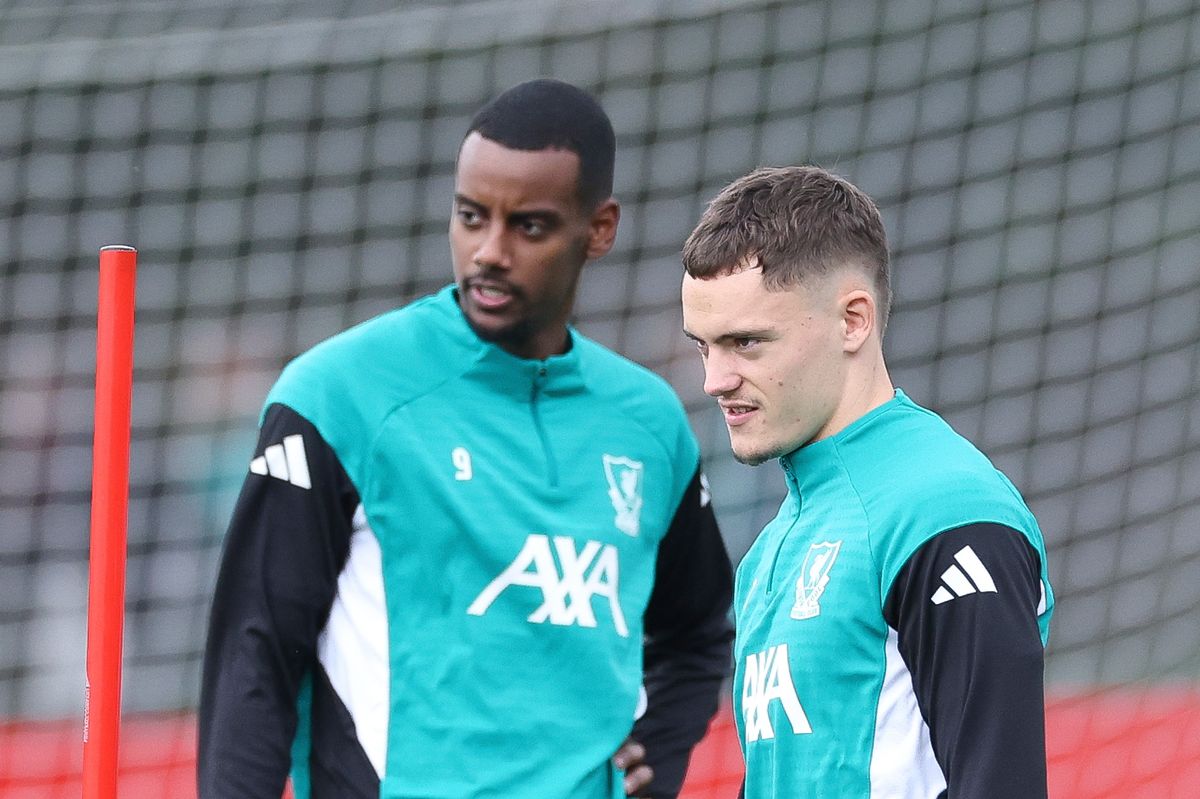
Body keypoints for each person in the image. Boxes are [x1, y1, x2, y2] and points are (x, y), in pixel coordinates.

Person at [199, 78, 734, 799]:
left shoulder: (649, 422)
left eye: (530, 226)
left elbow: (696, 631)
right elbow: (253, 656)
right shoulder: (336, 396)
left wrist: (658, 757)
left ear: (599, 229)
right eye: (471, 216)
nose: (489, 251)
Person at [679, 165, 1054, 798]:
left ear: (853, 320)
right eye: (704, 346)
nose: (714, 379)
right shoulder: (775, 546)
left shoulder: (943, 511)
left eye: (745, 343)